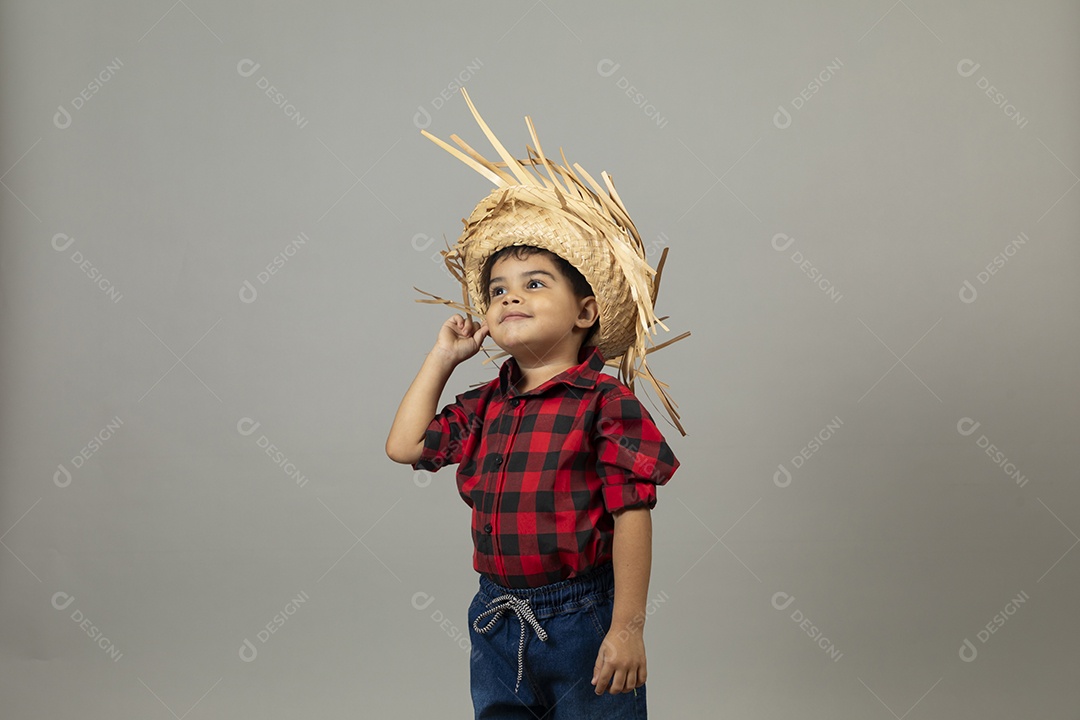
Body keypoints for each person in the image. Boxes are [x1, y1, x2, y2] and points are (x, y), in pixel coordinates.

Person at [386, 87, 689, 719]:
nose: (509, 298)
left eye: (534, 283)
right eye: (497, 290)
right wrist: (442, 359)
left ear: (585, 311)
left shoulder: (605, 405)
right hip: (496, 614)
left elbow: (633, 516)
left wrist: (628, 627)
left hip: (584, 615)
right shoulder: (484, 405)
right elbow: (405, 446)